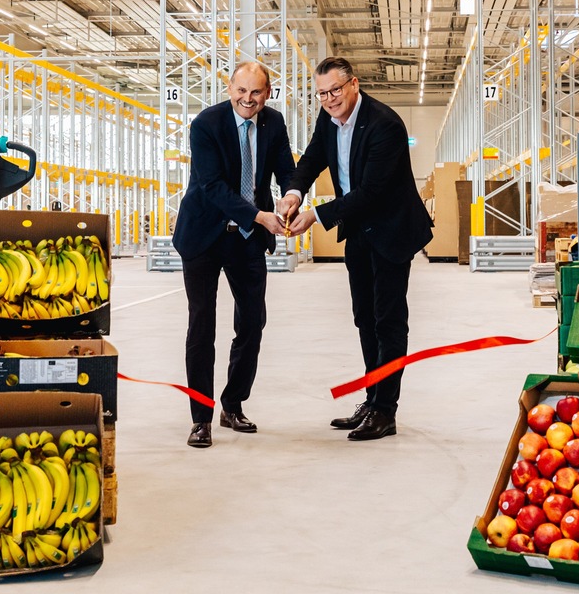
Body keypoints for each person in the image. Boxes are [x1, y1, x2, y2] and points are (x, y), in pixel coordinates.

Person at [281, 57, 433, 441]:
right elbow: (314, 157)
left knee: (388, 320)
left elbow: (372, 192)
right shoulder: (328, 119)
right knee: (364, 318)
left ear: (354, 84)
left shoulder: (385, 125)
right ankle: (372, 397)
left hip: (391, 230)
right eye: (322, 94)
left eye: (335, 90)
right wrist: (294, 192)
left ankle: (386, 411)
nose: (329, 99)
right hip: (359, 229)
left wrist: (316, 214)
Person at [172, 61, 296, 449]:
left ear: (267, 93)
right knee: (201, 327)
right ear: (229, 88)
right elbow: (210, 185)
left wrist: (292, 195)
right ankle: (200, 418)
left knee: (253, 323)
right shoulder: (206, 124)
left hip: (246, 239)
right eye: (241, 91)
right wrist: (259, 215)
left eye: (256, 92)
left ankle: (232, 404)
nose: (247, 99)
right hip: (205, 235)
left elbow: (286, 169)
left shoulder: (273, 124)